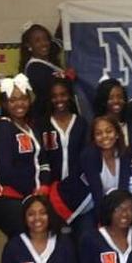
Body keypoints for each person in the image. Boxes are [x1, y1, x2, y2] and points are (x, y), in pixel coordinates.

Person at [0, 74, 49, 239]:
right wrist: (31, 193)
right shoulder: (3, 128)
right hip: (12, 200)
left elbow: (43, 161)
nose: (19, 104)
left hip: (34, 198)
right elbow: (5, 172)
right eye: (13, 100)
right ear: (4, 103)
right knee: (22, 245)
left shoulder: (31, 127)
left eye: (23, 98)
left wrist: (44, 184)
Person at [40, 78, 92, 231]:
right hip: (51, 193)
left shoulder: (82, 124)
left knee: (80, 236)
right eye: (54, 96)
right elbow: (41, 157)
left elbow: (86, 157)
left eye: (63, 94)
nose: (59, 99)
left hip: (78, 193)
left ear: (70, 96)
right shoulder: (42, 124)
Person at [79, 116, 132, 213]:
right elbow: (96, 193)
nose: (104, 136)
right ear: (94, 138)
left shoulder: (124, 154)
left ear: (117, 134)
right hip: (84, 207)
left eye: (109, 131)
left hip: (112, 206)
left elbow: (123, 189)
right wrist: (105, 221)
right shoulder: (89, 156)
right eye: (98, 133)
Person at [19, 23, 65, 120]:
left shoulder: (47, 59)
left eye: (45, 39)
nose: (44, 43)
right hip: (46, 116)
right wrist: (69, 77)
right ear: (29, 45)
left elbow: (58, 41)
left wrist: (66, 14)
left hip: (58, 113)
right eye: (37, 41)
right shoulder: (34, 68)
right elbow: (51, 90)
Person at [92, 78, 130, 145]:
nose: (116, 101)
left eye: (120, 97)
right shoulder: (95, 126)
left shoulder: (131, 126)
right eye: (111, 98)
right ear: (103, 100)